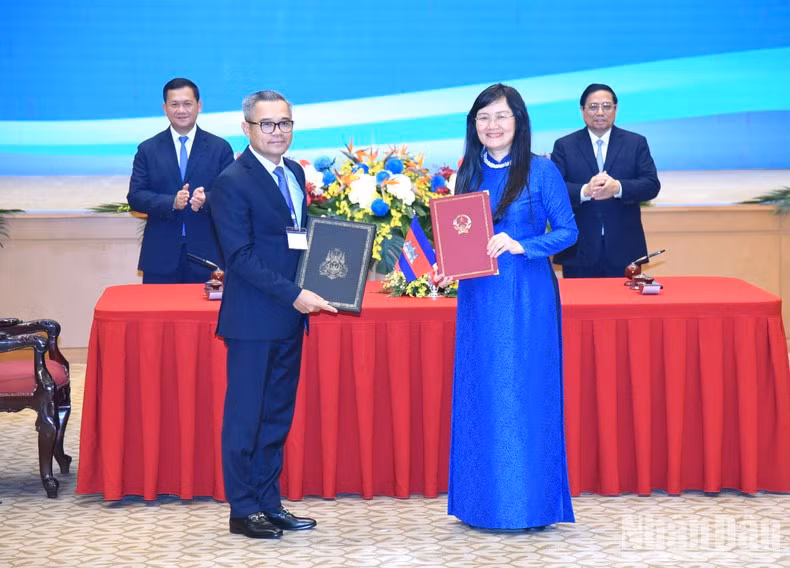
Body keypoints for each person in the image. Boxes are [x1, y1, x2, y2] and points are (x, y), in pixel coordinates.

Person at [445, 83, 577, 530]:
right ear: (474, 125)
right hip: (479, 300)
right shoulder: (467, 170)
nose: (492, 125)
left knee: (524, 394)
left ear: (518, 121)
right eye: (483, 118)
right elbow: (460, 237)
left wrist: (521, 244)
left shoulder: (541, 171)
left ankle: (529, 504)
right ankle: (480, 503)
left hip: (526, 298)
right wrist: (447, 267)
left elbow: (567, 232)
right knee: (482, 392)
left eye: (501, 116)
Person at [210, 90, 337, 539]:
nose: (278, 131)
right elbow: (240, 257)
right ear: (246, 128)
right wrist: (295, 294)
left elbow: (295, 240)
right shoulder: (232, 180)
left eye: (285, 123)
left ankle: (268, 502)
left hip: (288, 316)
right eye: (268, 124)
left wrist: (321, 281)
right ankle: (243, 509)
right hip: (253, 319)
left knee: (276, 415)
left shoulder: (296, 172)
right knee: (246, 416)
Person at [127, 78, 234, 283]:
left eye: (187, 104)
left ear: (199, 106)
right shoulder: (148, 149)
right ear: (164, 108)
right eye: (174, 104)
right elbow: (136, 197)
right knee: (158, 315)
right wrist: (171, 202)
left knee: (207, 315)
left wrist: (206, 201)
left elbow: (231, 196)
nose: (181, 110)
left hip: (208, 255)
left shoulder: (219, 148)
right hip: (160, 256)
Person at [551, 83, 660, 278]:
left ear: (615, 109)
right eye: (593, 107)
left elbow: (651, 185)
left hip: (625, 248)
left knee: (625, 307)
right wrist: (585, 190)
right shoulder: (564, 146)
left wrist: (618, 188)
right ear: (582, 110)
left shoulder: (636, 143)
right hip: (579, 249)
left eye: (607, 106)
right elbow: (554, 190)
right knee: (581, 307)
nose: (600, 112)